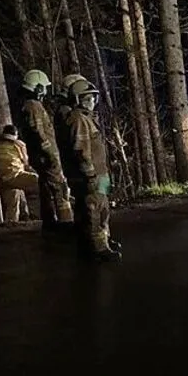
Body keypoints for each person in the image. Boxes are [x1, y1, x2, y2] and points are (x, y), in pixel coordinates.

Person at [62, 80, 120, 262]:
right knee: (94, 210)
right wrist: (90, 175)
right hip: (93, 175)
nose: (92, 101)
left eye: (93, 97)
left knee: (103, 208)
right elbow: (81, 150)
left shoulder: (87, 118)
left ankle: (103, 241)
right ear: (78, 99)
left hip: (101, 174)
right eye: (88, 98)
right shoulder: (78, 119)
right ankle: (98, 248)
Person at [14, 69, 74, 234]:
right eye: (44, 88)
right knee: (59, 188)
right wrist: (51, 154)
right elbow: (38, 133)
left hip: (41, 156)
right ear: (38, 88)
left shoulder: (29, 105)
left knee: (47, 189)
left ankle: (50, 223)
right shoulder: (33, 106)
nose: (46, 91)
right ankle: (66, 223)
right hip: (46, 157)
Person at [0, 125, 38, 223]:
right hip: (15, 176)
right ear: (15, 134)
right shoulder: (18, 144)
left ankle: (12, 221)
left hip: (2, 179)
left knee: (14, 193)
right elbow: (25, 162)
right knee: (39, 181)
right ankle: (39, 213)